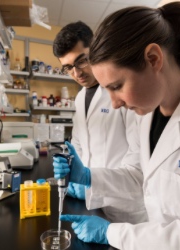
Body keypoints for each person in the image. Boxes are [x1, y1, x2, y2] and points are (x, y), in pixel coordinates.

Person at [53, 2, 180, 250]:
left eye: (116, 87)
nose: (114, 104)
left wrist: (112, 234)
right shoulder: (149, 112)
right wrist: (88, 176)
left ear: (153, 59)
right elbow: (140, 177)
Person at [53, 21, 148, 224]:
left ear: (95, 48)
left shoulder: (122, 91)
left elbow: (138, 162)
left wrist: (89, 177)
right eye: (68, 67)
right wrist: (70, 169)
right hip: (94, 201)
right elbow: (78, 144)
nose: (76, 73)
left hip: (126, 207)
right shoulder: (79, 98)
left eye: (81, 61)